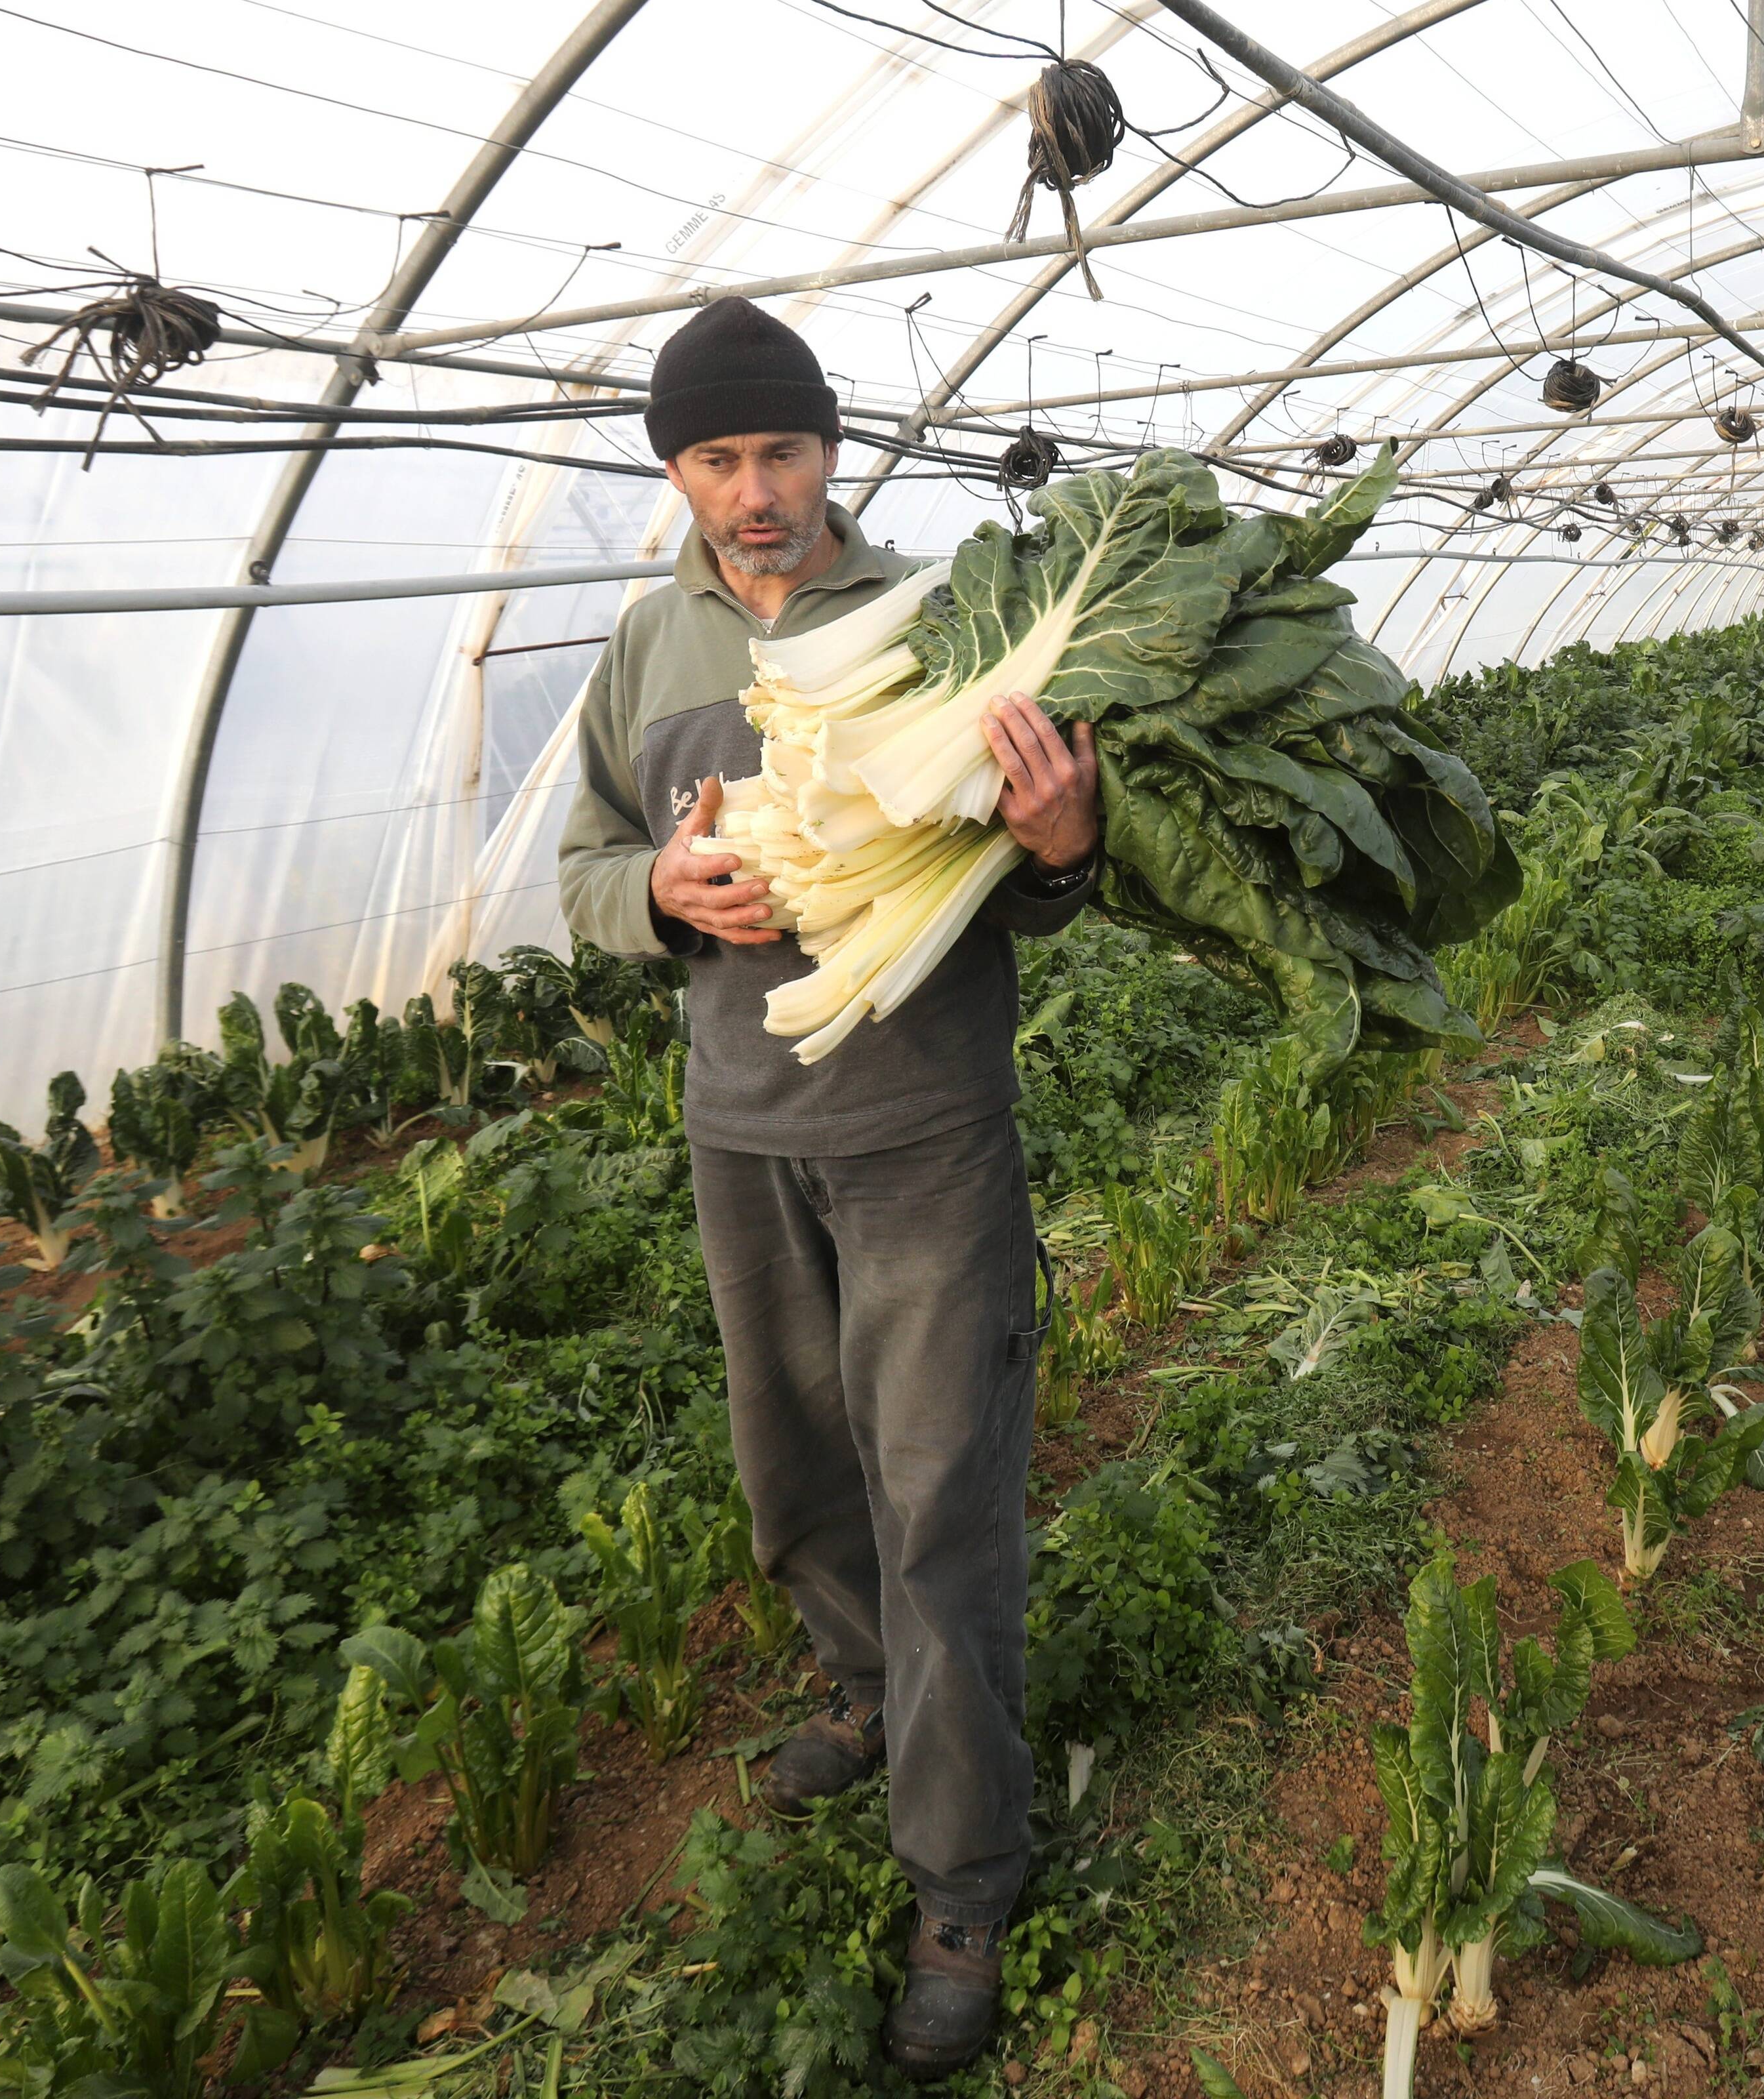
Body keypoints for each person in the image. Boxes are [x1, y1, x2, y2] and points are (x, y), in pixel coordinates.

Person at [557, 295, 1097, 2079]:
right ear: (676, 473)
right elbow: (580, 863)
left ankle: (965, 1878)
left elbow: (1024, 877)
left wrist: (1064, 852)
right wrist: (656, 900)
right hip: (739, 1125)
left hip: (924, 1126)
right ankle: (866, 1695)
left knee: (942, 1494)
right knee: (793, 1456)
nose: (754, 488)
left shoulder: (938, 625)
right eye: (716, 457)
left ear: (832, 454)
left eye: (781, 449)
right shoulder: (646, 651)